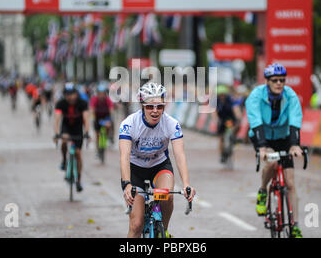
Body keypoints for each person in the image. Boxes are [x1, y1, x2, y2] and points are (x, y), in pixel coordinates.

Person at [119, 82, 196, 238]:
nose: (155, 111)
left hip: (159, 167)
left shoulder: (172, 124)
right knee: (136, 225)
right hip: (136, 171)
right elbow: (124, 156)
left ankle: (163, 230)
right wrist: (127, 184)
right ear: (142, 105)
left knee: (167, 195)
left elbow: (179, 154)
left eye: (159, 107)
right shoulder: (129, 124)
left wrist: (187, 183)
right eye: (150, 107)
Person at [245, 63, 304, 238]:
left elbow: (295, 120)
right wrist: (262, 147)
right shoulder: (256, 95)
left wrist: (294, 144)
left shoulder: (290, 95)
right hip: (262, 135)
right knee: (271, 161)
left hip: (284, 137)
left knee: (291, 182)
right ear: (267, 81)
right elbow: (255, 121)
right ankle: (263, 190)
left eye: (282, 80)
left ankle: (295, 226)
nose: (279, 83)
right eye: (275, 80)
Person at [53, 83, 91, 192]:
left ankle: (78, 180)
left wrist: (87, 132)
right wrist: (56, 134)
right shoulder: (61, 103)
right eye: (68, 94)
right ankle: (64, 160)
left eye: (72, 94)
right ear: (65, 95)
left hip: (78, 128)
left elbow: (86, 118)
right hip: (66, 127)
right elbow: (57, 119)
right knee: (64, 140)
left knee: (78, 154)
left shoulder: (82, 103)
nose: (70, 97)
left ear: (76, 94)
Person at [213, 84, 242, 164]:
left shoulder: (231, 100)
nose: (222, 96)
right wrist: (216, 119)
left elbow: (236, 109)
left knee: (238, 124)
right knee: (221, 137)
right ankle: (222, 154)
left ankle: (234, 137)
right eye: (220, 95)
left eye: (223, 95)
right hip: (222, 119)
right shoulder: (216, 101)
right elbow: (214, 112)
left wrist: (238, 117)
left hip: (231, 118)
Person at [90, 83, 115, 151]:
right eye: (100, 93)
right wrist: (92, 116)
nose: (101, 95)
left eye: (103, 93)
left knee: (110, 125)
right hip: (97, 117)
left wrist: (111, 119)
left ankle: (108, 136)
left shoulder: (108, 100)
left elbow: (111, 109)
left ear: (105, 94)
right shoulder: (94, 99)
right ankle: (98, 148)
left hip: (106, 117)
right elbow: (92, 109)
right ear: (97, 93)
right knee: (97, 134)